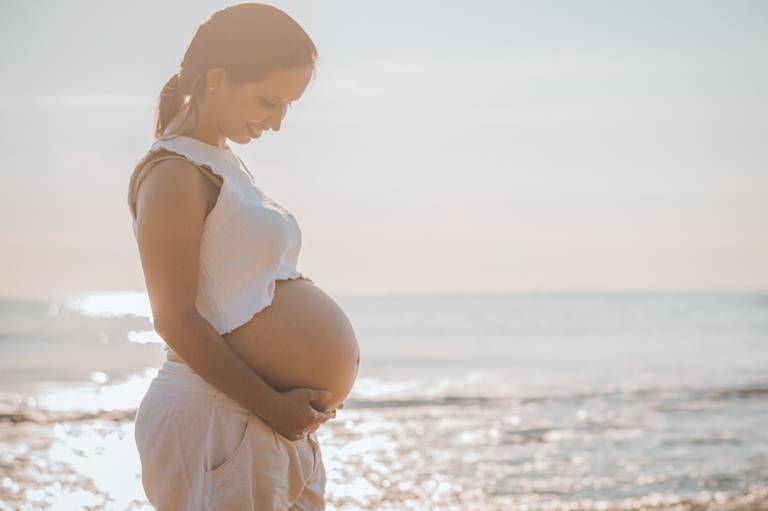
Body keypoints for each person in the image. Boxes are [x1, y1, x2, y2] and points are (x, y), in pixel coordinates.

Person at [127, 4, 336, 509]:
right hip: (219, 418)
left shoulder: (226, 166)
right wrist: (272, 405)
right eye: (270, 100)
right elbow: (173, 318)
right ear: (217, 78)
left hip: (261, 420)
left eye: (288, 106)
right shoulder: (174, 172)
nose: (278, 122)